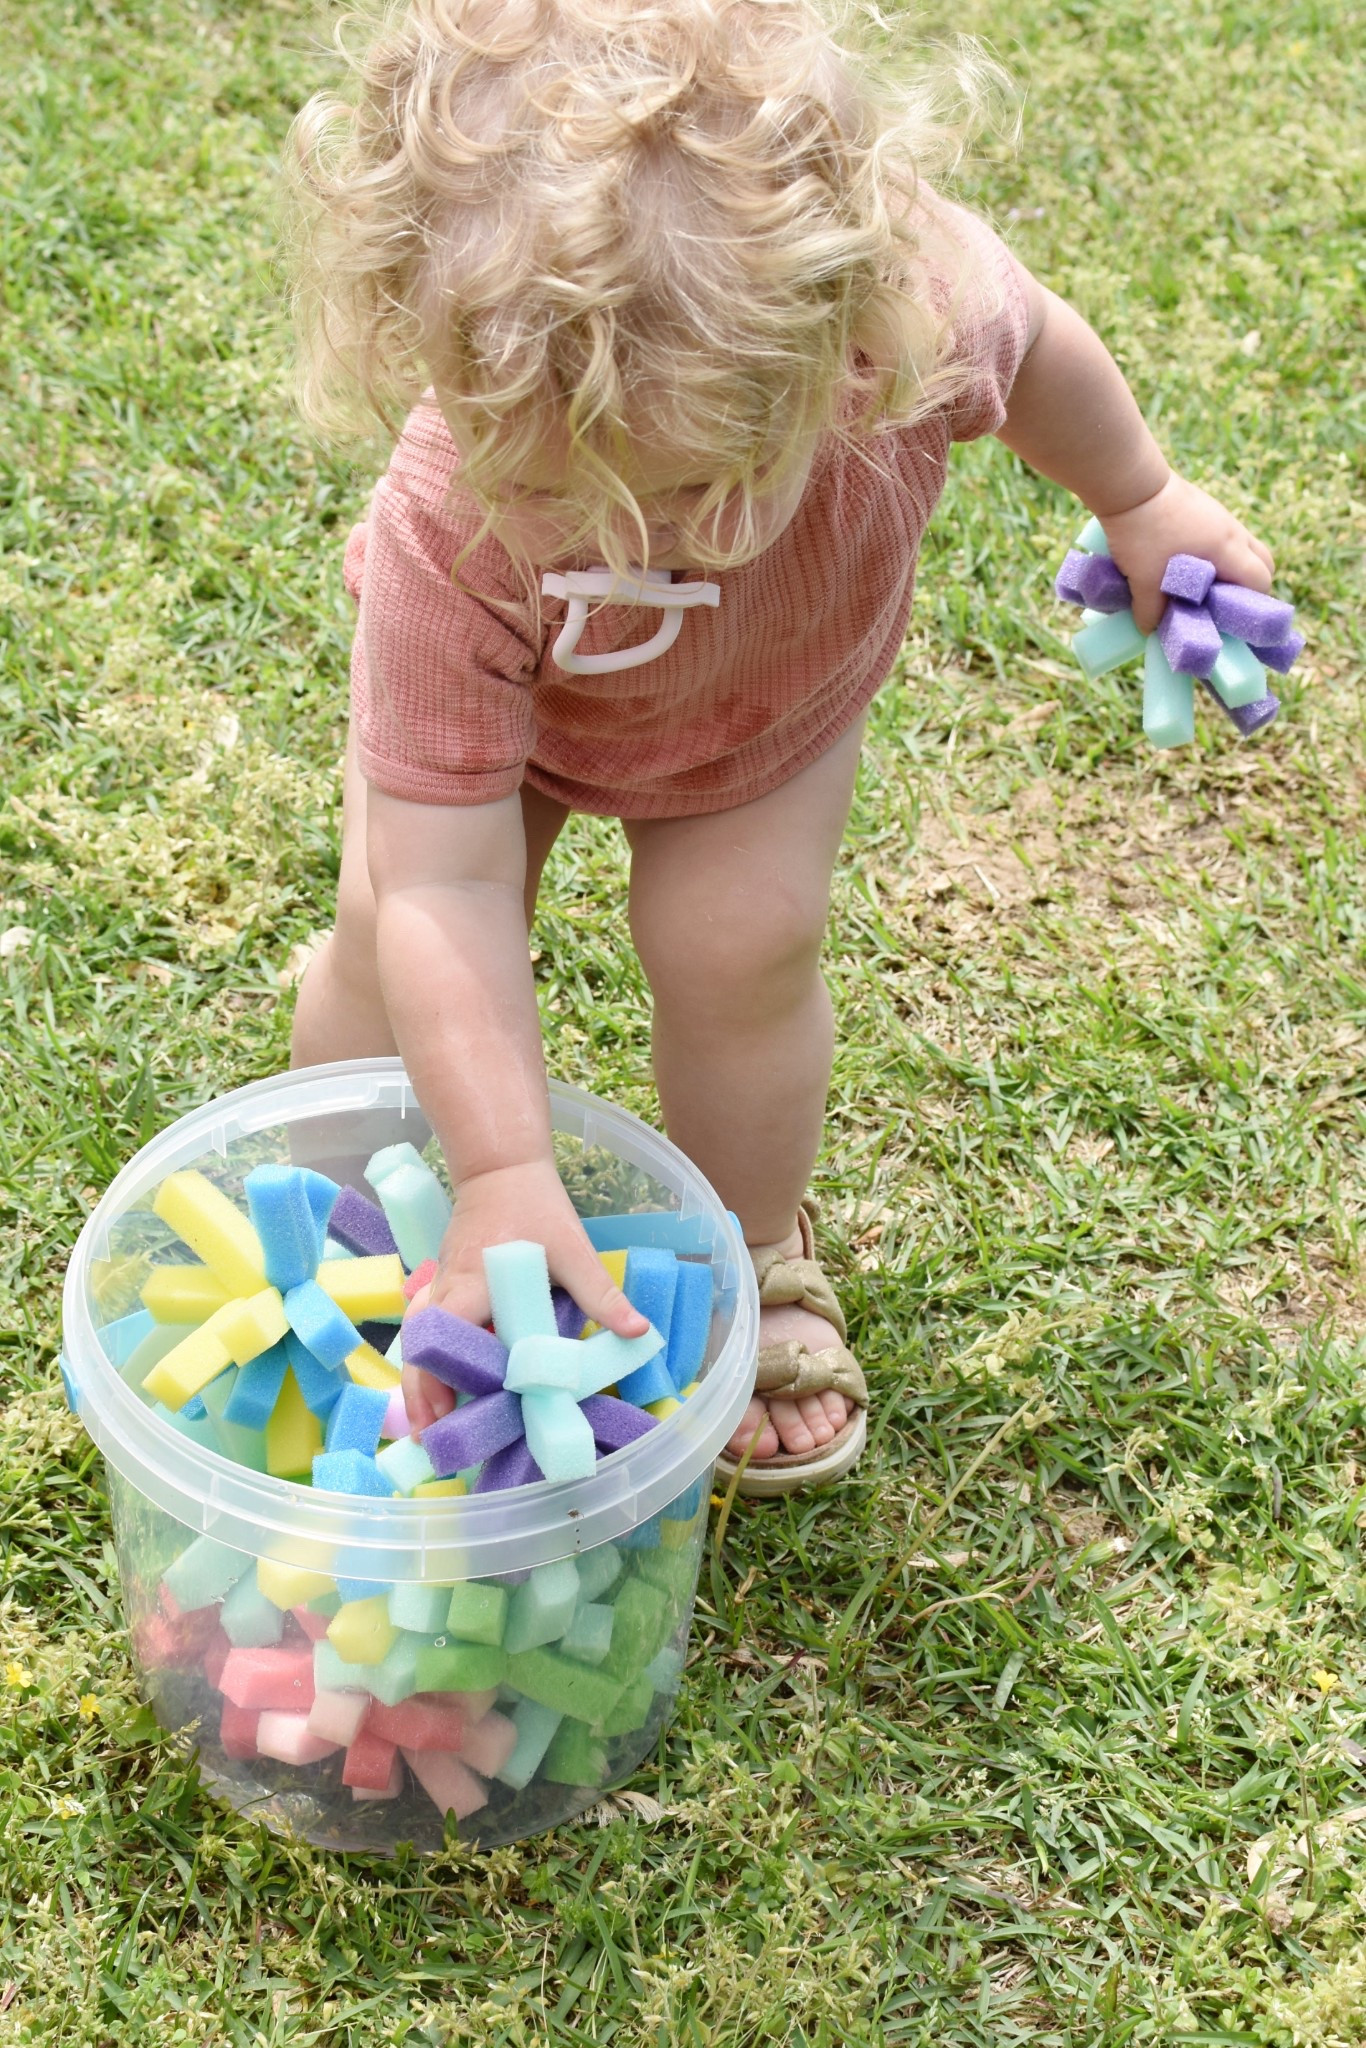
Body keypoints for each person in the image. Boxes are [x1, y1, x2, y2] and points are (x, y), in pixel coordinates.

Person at [286, 0, 1274, 1496]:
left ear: (846, 333)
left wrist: (1141, 501)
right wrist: (501, 1172)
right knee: (384, 934)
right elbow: (448, 886)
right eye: (601, 495)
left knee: (740, 943)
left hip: (768, 697)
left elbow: (1045, 356)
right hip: (504, 713)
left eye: (704, 479)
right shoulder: (457, 520)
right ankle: (354, 1230)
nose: (671, 536)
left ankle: (747, 1250)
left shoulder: (911, 309)